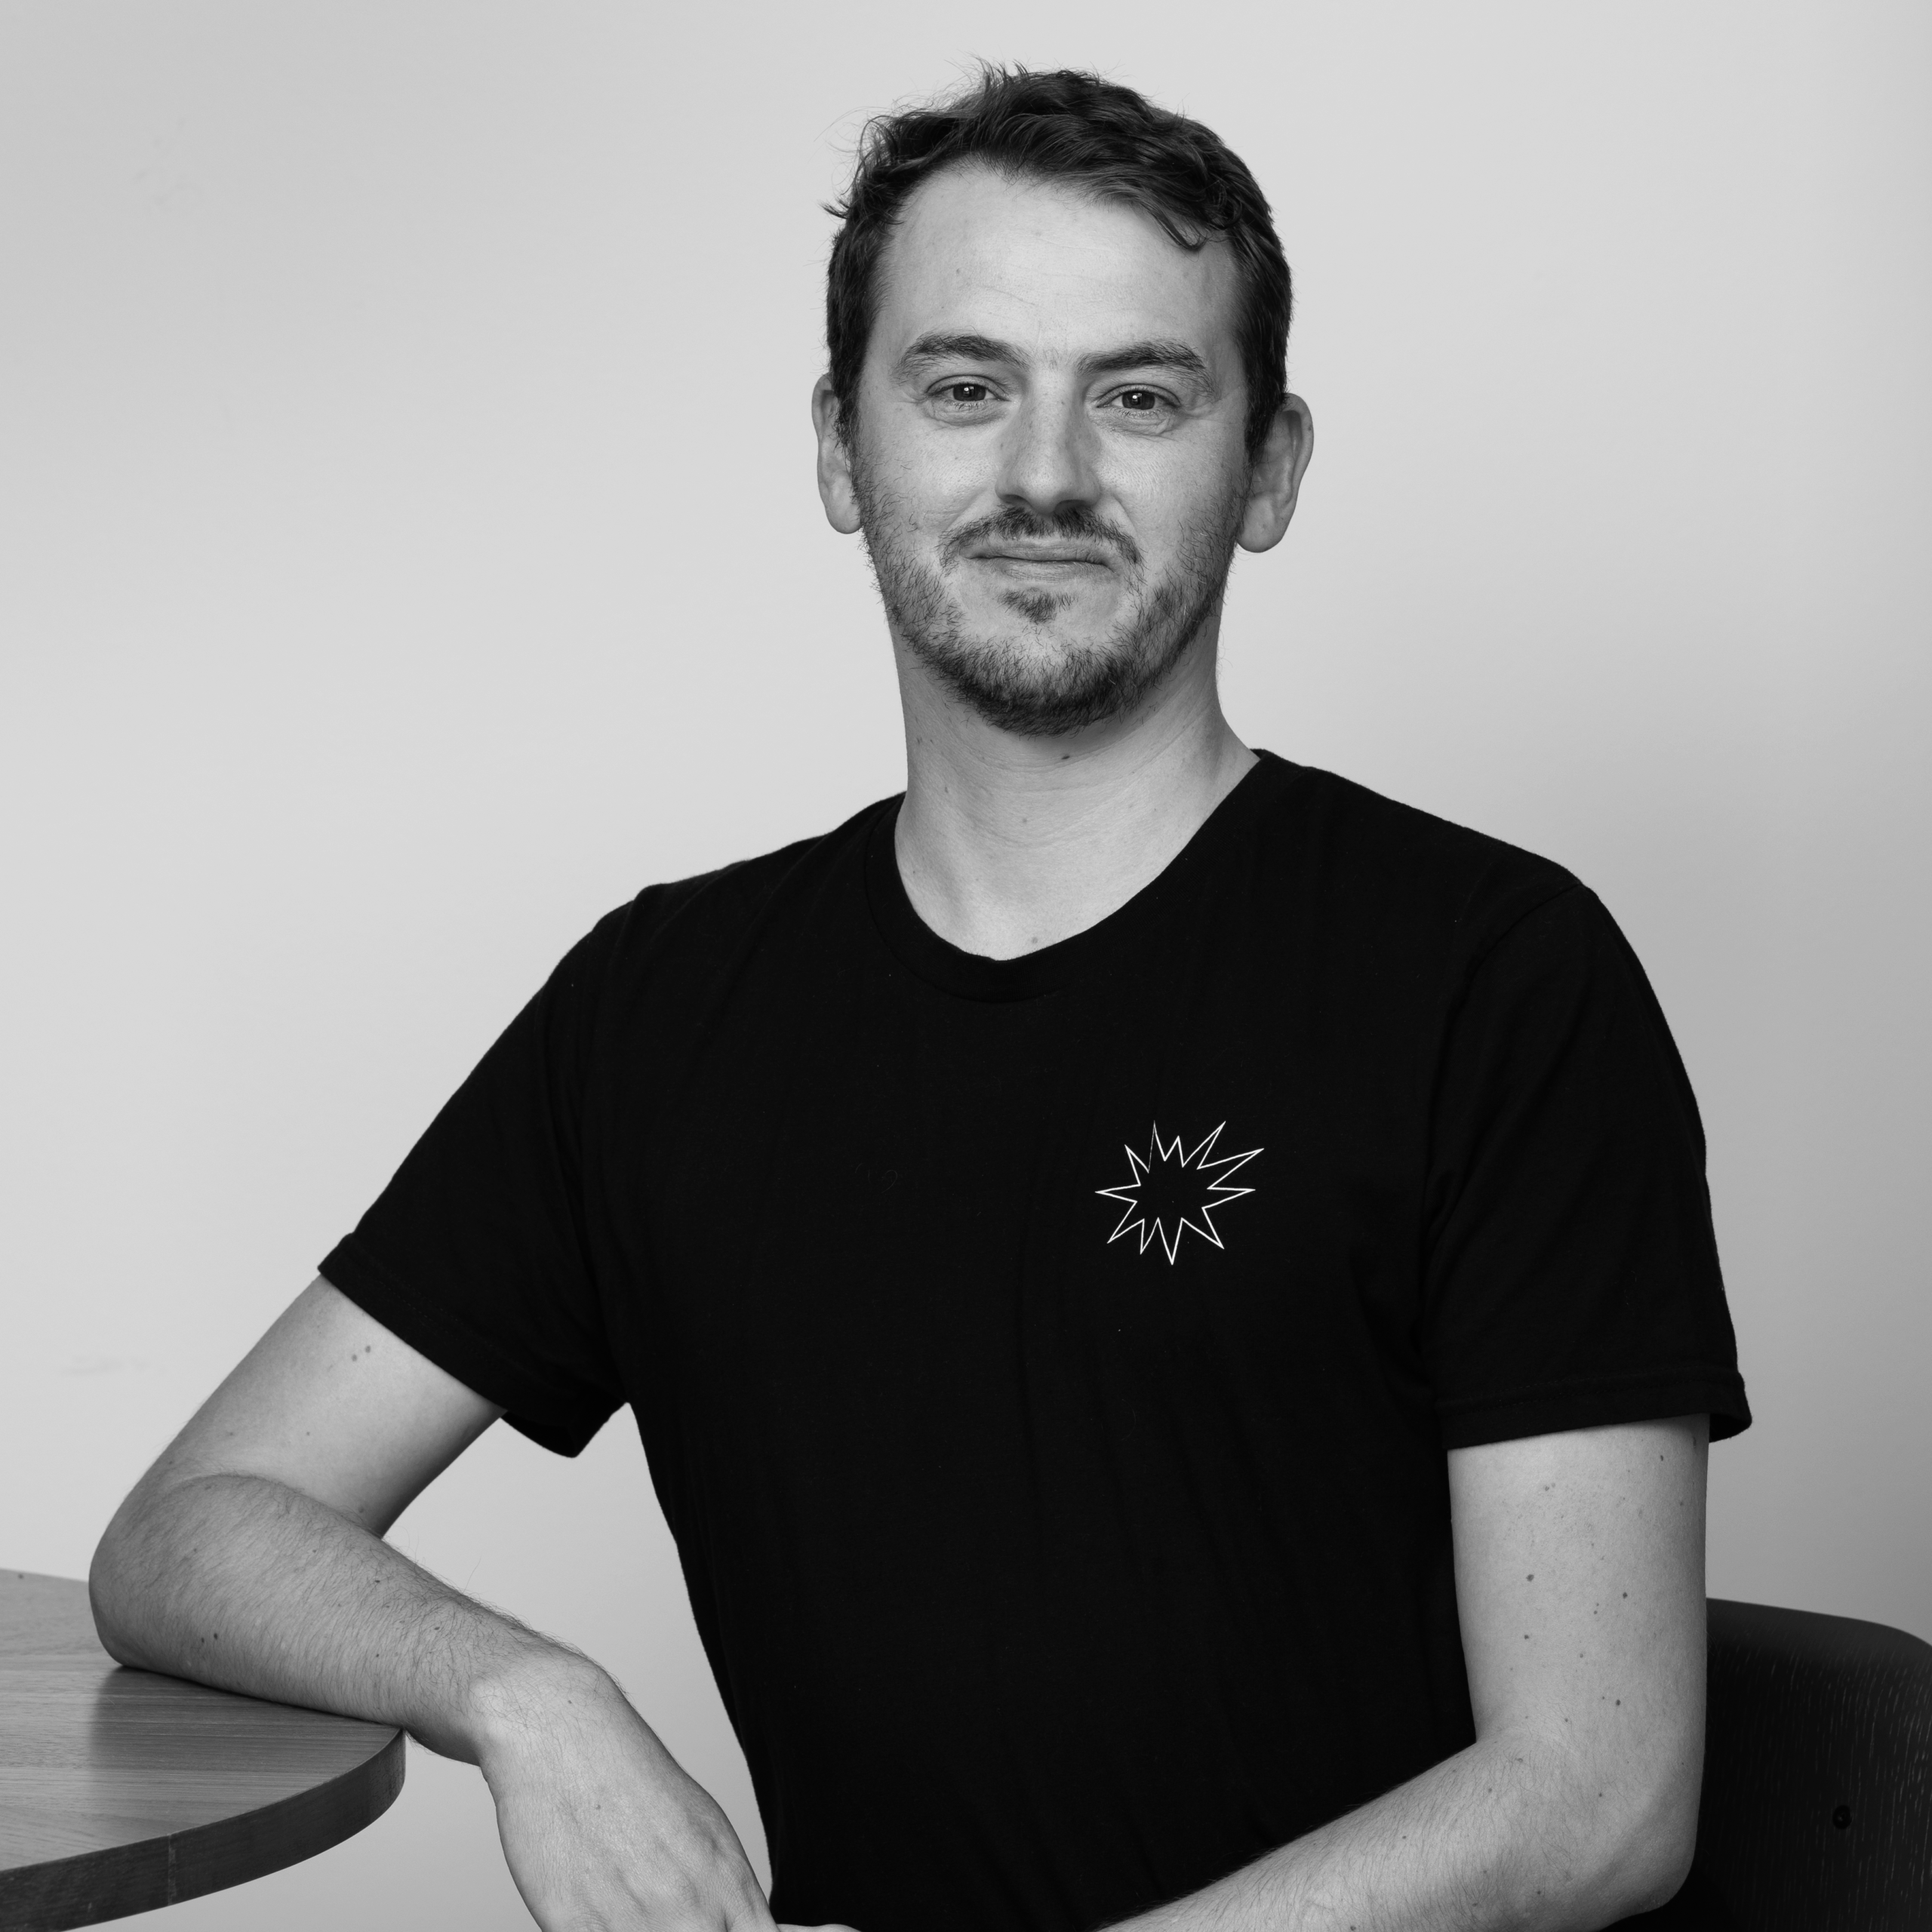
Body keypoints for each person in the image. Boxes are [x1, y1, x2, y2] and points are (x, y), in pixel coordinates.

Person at [90, 66, 1749, 1932]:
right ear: (838, 448)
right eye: (963, 387)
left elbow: (1597, 1796)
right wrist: (522, 1693)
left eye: (1137, 396)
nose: (1043, 475)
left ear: (1269, 467)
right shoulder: (663, 1011)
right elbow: (187, 1529)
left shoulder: (1490, 976)